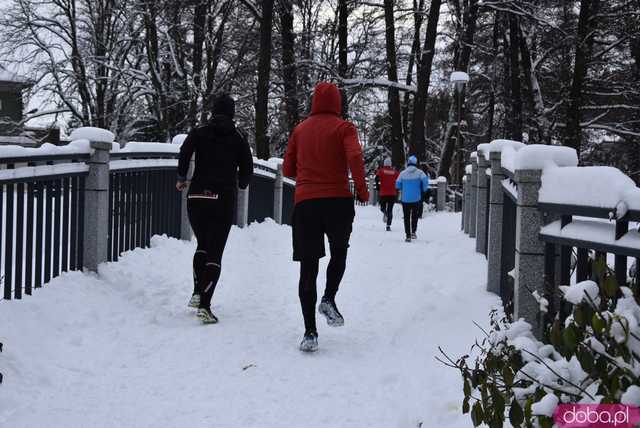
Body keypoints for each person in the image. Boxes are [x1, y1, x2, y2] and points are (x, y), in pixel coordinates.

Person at [283, 82, 369, 352]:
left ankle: (310, 332)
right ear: (337, 103)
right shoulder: (345, 128)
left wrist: (309, 178)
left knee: (308, 267)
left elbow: (287, 168)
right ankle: (329, 298)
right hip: (338, 202)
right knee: (339, 252)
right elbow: (354, 157)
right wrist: (362, 190)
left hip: (306, 204)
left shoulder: (300, 129)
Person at [176, 93, 253, 324]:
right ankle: (205, 306)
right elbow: (247, 167)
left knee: (202, 244)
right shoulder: (238, 137)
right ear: (232, 112)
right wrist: (242, 182)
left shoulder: (199, 131)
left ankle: (197, 292)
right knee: (215, 251)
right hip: (222, 199)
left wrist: (182, 176)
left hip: (197, 195)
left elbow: (184, 151)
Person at [396, 155, 429, 242]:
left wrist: (403, 187)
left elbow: (397, 184)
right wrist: (424, 189)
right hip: (416, 198)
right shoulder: (420, 173)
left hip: (405, 199)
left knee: (406, 217)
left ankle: (408, 235)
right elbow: (425, 180)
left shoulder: (402, 173)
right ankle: (413, 232)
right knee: (415, 216)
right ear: (415, 163)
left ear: (408, 163)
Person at [375, 157, 399, 231]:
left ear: (384, 163)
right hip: (392, 193)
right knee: (390, 210)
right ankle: (388, 226)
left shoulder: (381, 171)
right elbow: (399, 180)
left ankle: (384, 212)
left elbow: (376, 178)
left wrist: (378, 186)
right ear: (390, 164)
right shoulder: (395, 172)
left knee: (382, 207)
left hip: (383, 193)